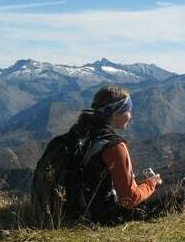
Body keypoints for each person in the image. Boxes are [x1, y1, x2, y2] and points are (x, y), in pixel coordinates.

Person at [74, 85, 175, 223]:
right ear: (116, 113)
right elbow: (129, 200)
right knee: (175, 194)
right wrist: (151, 183)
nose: (130, 114)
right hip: (104, 216)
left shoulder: (83, 134)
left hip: (80, 211)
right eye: (128, 109)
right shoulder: (114, 146)